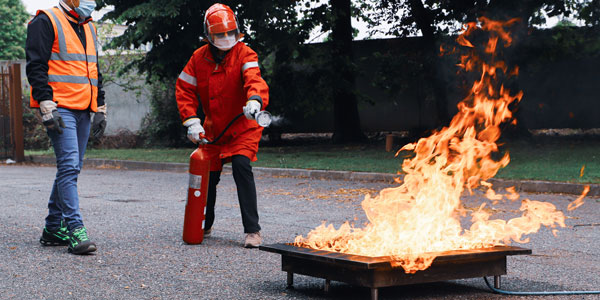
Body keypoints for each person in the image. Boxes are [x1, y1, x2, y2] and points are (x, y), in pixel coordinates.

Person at [175, 3, 269, 248]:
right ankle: (204, 224)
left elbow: (254, 80)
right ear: (208, 35)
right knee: (210, 174)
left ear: (237, 32)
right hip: (214, 129)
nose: (226, 38)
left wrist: (254, 100)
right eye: (220, 34)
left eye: (230, 33)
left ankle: (252, 231)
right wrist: (192, 122)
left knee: (241, 166)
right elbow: (184, 89)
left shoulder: (245, 54)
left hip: (243, 127)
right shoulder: (198, 58)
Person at [26, 0, 107, 255]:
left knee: (71, 167)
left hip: (84, 107)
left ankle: (52, 227)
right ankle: (75, 229)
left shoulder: (89, 26)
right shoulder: (46, 21)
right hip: (60, 107)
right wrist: (46, 104)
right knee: (70, 166)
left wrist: (101, 108)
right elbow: (36, 65)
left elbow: (95, 69)